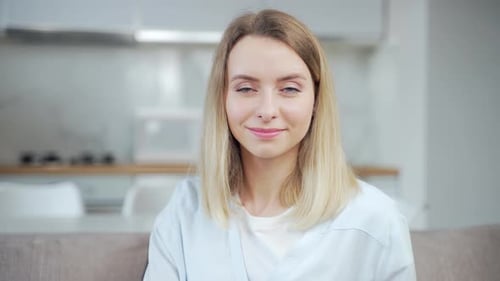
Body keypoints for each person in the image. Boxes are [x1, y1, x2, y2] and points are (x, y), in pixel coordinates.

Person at [143, 9, 415, 281]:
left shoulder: (375, 220)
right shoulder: (185, 211)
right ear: (222, 98)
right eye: (246, 88)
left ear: (316, 101)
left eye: (290, 89)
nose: (267, 110)